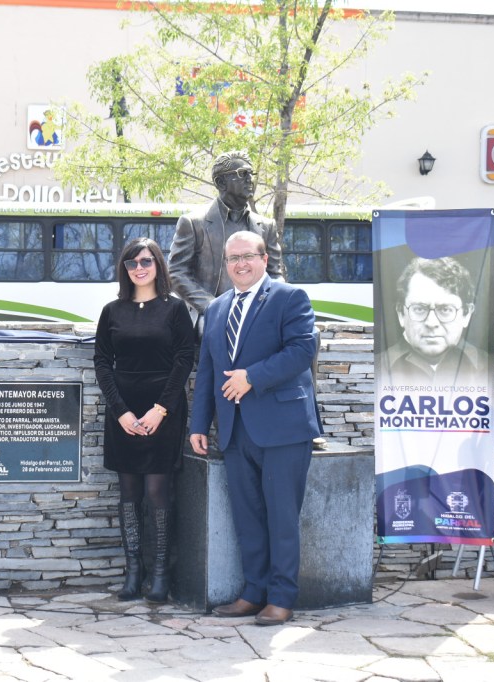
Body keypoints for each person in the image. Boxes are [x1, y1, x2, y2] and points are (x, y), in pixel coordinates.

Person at [189, 231, 319, 627]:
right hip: (234, 430)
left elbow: (301, 351)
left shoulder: (289, 298)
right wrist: (199, 423)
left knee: (281, 518)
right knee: (247, 518)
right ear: (226, 264)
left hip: (283, 429)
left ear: (264, 259)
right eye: (233, 259)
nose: (240, 264)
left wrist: (252, 377)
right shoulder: (216, 309)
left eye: (248, 256)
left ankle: (281, 598)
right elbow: (208, 370)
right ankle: (253, 593)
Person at [94, 238, 195, 604]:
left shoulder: (175, 309)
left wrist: (160, 409)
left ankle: (161, 571)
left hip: (163, 409)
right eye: (132, 262)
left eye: (146, 261)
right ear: (124, 268)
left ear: (158, 265)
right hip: (123, 410)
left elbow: (184, 359)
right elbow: (102, 361)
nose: (139, 268)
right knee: (129, 492)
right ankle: (133, 571)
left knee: (157, 491)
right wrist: (120, 411)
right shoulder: (112, 310)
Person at [168, 151, 284, 329]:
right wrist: (213, 307)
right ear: (221, 182)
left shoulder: (266, 226)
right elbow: (176, 272)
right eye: (242, 173)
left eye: (251, 174)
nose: (250, 179)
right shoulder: (194, 223)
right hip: (209, 317)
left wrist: (277, 303)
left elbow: (275, 273)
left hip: (257, 315)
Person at [385, 256, 485, 386]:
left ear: (466, 314)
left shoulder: (487, 367)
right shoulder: (378, 368)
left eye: (445, 309)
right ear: (401, 314)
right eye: (419, 309)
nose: (431, 323)